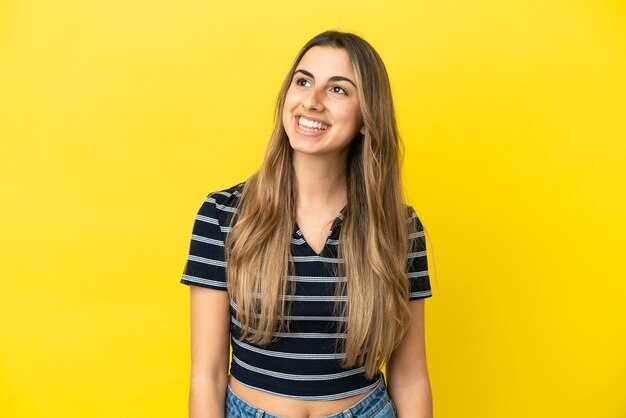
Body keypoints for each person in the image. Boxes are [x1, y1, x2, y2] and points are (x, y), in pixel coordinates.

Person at [180, 30, 433, 418]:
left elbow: (410, 378)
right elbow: (207, 375)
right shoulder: (223, 215)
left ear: (367, 118)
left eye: (338, 90)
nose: (311, 102)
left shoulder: (399, 228)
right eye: (303, 82)